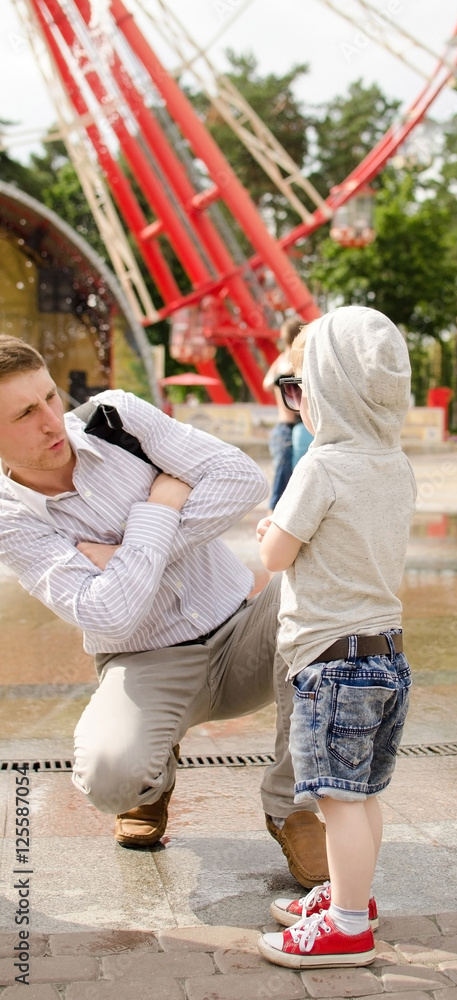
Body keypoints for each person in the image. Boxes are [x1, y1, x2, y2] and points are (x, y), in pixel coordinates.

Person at [0, 334, 327, 888]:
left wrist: (123, 556)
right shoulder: (9, 516)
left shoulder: (116, 418)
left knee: (326, 587)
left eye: (50, 397)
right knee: (110, 777)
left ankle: (290, 805)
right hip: (145, 661)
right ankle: (151, 788)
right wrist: (159, 506)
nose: (54, 422)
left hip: (246, 628)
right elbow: (107, 618)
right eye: (25, 414)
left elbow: (242, 480)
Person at [254, 306, 417, 969]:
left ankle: (347, 925)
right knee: (363, 796)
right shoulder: (394, 463)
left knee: (334, 801)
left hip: (331, 663)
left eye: (300, 390)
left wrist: (269, 530)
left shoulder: (322, 467)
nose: (298, 403)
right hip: (386, 657)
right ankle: (354, 896)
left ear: (329, 393)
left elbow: (276, 556)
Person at [263, 316, 302, 511]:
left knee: (283, 480)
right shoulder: (291, 362)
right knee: (283, 481)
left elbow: (266, 383)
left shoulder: (281, 359)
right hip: (288, 429)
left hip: (283, 429)